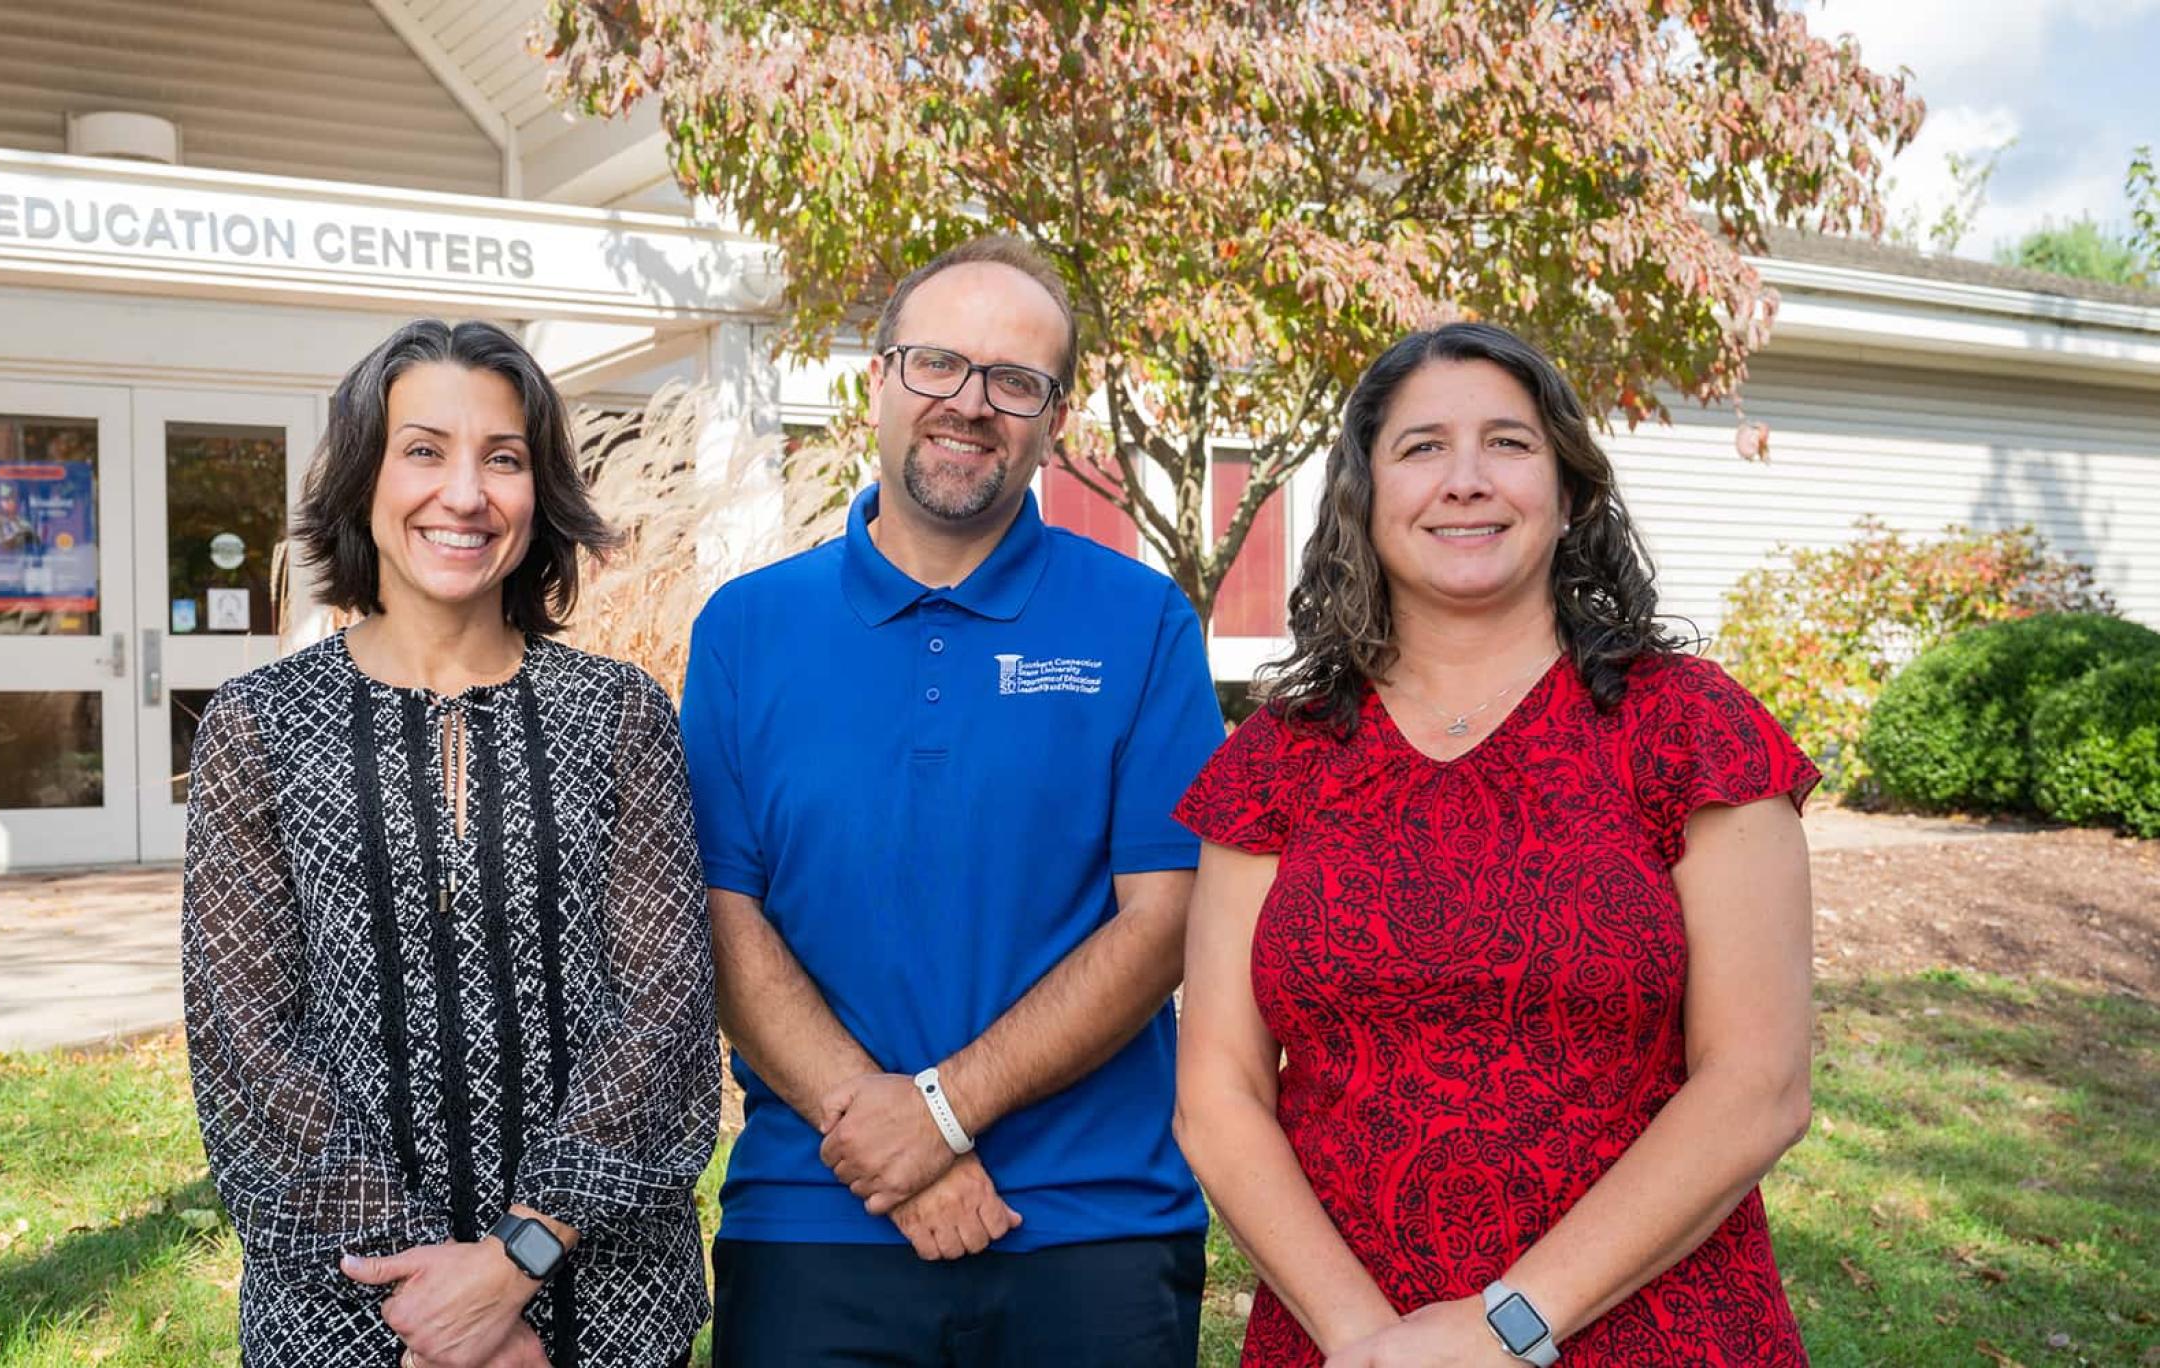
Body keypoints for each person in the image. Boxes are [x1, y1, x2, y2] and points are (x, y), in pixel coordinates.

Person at [1171, 322, 1819, 1367]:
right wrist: (1368, 1343)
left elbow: (1757, 1084)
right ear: (1363, 498)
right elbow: (1217, 1094)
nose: (1464, 480)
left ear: (1566, 494)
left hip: (1648, 1327)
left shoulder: (1690, 731)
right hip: (1347, 1338)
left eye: (1508, 445)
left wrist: (1503, 1325)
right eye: (1420, 447)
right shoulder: (1277, 759)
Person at [681, 234, 1225, 1366]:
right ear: (876, 380)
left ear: (1053, 418)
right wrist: (885, 1137)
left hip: (1088, 1221)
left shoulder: (1140, 623)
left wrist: (938, 1114)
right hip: (816, 1217)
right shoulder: (745, 629)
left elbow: (1166, 917)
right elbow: (722, 919)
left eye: (1014, 381)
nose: (969, 404)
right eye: (936, 364)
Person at [182, 318, 718, 1368]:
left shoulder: (619, 715)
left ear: (540, 492)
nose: (464, 495)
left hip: (599, 1306)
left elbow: (665, 1013)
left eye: (503, 459)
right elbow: (244, 1037)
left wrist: (514, 1264)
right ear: (361, 480)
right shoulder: (259, 725)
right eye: (422, 450)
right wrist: (432, 1301)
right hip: (351, 1310)